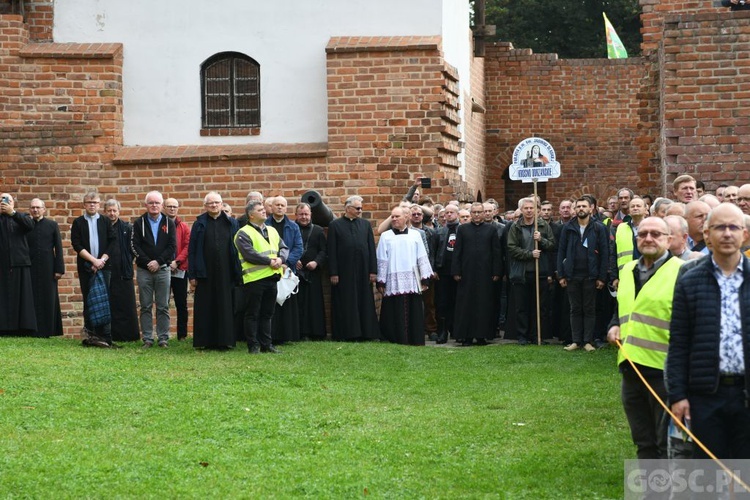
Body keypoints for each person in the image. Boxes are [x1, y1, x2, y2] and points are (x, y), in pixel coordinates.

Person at [668, 203, 750, 459]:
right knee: (708, 474)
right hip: (705, 396)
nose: (727, 234)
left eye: (733, 227)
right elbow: (679, 343)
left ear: (745, 234)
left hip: (746, 395)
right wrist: (678, 395)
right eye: (720, 227)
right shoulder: (689, 281)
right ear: (707, 235)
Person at [607, 216, 683, 460]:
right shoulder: (628, 270)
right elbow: (623, 308)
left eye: (656, 234)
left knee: (667, 444)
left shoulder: (683, 272)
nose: (648, 238)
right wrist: (614, 325)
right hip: (630, 369)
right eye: (643, 234)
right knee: (643, 443)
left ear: (669, 240)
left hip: (665, 373)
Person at [188, 191, 241, 350]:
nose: (213, 205)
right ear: (205, 206)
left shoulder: (232, 223)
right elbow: (192, 250)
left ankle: (225, 341)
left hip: (226, 272)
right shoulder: (199, 224)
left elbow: (237, 248)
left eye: (216, 202)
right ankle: (206, 341)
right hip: (205, 272)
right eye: (210, 203)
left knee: (225, 306)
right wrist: (192, 274)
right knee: (206, 306)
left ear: (221, 204)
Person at [234, 200, 288, 354]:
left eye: (264, 209)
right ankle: (253, 345)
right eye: (260, 210)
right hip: (254, 279)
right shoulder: (242, 233)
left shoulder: (272, 230)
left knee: (267, 313)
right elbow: (249, 254)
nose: (264, 211)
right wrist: (270, 261)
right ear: (251, 215)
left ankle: (267, 344)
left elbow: (283, 247)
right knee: (252, 313)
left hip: (272, 277)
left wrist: (281, 259)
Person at [558, 197, 609, 352]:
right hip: (572, 274)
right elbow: (561, 251)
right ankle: (575, 341)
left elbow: (605, 253)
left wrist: (601, 277)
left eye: (584, 206)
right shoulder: (568, 228)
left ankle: (587, 341)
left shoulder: (599, 228)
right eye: (578, 206)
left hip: (591, 275)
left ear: (591, 209)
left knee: (589, 308)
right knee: (575, 308)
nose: (581, 208)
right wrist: (561, 274)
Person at [376, 206, 433, 345]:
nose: (394, 219)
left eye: (397, 216)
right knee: (393, 310)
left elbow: (422, 256)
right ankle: (393, 338)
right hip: (393, 280)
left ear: (406, 218)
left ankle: (414, 339)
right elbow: (382, 259)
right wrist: (381, 282)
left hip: (412, 278)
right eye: (392, 216)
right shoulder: (385, 236)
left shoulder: (416, 235)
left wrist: (425, 278)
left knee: (413, 310)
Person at [327, 195, 380, 341]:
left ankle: (366, 333)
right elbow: (331, 251)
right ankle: (347, 333)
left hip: (363, 270)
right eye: (357, 208)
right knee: (346, 301)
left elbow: (371, 248)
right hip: (344, 271)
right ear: (348, 208)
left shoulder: (365, 224)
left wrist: (373, 271)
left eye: (361, 208)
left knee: (364, 301)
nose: (360, 211)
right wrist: (333, 272)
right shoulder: (335, 225)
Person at [452, 202, 502, 346]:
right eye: (474, 212)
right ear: (471, 213)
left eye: (479, 212)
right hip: (466, 273)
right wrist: (456, 271)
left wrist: (496, 271)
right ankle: (466, 336)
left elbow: (496, 252)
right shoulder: (462, 229)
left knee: (484, 303)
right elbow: (457, 252)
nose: (477, 215)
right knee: (466, 304)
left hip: (485, 273)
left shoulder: (491, 230)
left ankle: (482, 335)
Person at [71, 191, 116, 347]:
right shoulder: (78, 223)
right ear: (84, 205)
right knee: (89, 300)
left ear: (99, 205)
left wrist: (101, 260)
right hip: (86, 267)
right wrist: (93, 261)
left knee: (105, 299)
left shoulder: (105, 221)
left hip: (104, 267)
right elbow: (76, 245)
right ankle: (91, 336)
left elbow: (112, 242)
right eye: (89, 202)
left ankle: (106, 337)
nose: (92, 205)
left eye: (95, 202)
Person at [132, 191, 176, 348]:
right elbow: (134, 246)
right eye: (151, 203)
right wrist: (148, 262)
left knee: (163, 305)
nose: (154, 205)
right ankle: (148, 339)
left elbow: (172, 247)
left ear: (162, 205)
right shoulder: (139, 223)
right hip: (144, 271)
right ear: (146, 205)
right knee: (145, 305)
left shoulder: (168, 223)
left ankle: (163, 338)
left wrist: (158, 262)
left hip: (163, 269)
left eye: (157, 203)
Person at [507, 197, 555, 345]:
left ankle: (537, 335)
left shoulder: (543, 226)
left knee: (538, 306)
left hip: (539, 272)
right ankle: (522, 335)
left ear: (536, 210)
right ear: (521, 210)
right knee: (522, 306)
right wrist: (529, 254)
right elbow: (511, 248)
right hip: (522, 273)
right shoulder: (515, 227)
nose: (529, 211)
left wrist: (541, 240)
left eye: (531, 208)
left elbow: (552, 245)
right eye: (526, 208)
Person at [266, 196, 303, 343]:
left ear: (286, 208)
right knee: (270, 302)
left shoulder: (293, 226)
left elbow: (298, 247)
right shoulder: (265, 225)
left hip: (287, 270)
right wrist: (273, 262)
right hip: (269, 268)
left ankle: (288, 335)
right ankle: (270, 336)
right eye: (277, 205)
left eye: (282, 205)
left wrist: (286, 263)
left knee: (287, 302)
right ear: (271, 207)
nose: (280, 207)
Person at [0, 193, 37, 336]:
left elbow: (30, 226)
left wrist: (12, 213)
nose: (4, 203)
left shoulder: (22, 217)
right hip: (2, 263)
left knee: (22, 296)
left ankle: (22, 328)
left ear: (13, 203)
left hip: (19, 261)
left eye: (7, 200)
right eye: (2, 200)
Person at [27, 198, 64, 337]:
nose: (35, 210)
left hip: (48, 266)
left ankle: (48, 330)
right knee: (30, 297)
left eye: (38, 207)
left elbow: (59, 248)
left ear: (44, 209)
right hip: (30, 265)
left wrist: (59, 269)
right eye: (32, 207)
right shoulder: (26, 225)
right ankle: (31, 330)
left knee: (49, 298)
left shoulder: (52, 225)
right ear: (30, 210)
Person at [103, 199, 140, 342]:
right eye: (109, 211)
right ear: (105, 212)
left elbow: (133, 248)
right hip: (106, 269)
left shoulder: (127, 227)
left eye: (114, 210)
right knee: (109, 302)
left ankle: (128, 336)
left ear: (119, 211)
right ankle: (108, 334)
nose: (112, 213)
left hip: (123, 270)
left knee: (126, 303)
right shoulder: (102, 227)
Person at [295, 203, 327, 340]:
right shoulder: (291, 228)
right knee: (298, 304)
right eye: (301, 214)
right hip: (295, 273)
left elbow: (324, 251)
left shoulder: (318, 230)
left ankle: (316, 333)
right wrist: (293, 260)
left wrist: (316, 262)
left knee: (314, 304)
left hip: (313, 272)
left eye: (306, 214)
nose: (304, 217)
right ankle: (299, 332)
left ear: (311, 215)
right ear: (296, 215)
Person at [164, 197, 190, 341]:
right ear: (164, 208)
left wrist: (177, 261)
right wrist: (168, 263)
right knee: (163, 303)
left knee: (181, 303)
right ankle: (164, 335)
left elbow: (188, 246)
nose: (172, 208)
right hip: (163, 269)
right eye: (169, 206)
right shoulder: (160, 225)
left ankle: (182, 335)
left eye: (175, 206)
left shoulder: (184, 227)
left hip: (180, 270)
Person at [433, 204, 460, 344]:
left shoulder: (462, 230)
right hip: (443, 271)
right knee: (442, 302)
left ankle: (456, 329)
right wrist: (435, 269)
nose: (448, 215)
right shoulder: (439, 232)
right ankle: (442, 331)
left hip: (458, 272)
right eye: (446, 213)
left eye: (452, 212)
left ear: (457, 214)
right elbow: (433, 251)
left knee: (457, 301)